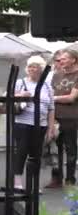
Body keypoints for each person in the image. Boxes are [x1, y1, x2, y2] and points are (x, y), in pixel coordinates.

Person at [13, 56, 55, 189]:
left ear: (41, 69)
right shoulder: (20, 82)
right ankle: (17, 183)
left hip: (40, 125)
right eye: (30, 66)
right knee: (21, 152)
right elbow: (8, 97)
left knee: (36, 155)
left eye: (35, 66)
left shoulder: (47, 86)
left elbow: (51, 107)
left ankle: (33, 184)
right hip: (22, 123)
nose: (31, 69)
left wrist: (51, 127)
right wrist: (20, 95)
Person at [48, 48, 78, 188]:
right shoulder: (56, 75)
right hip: (55, 116)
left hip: (71, 117)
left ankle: (70, 179)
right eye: (60, 59)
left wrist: (53, 98)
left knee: (70, 147)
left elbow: (71, 98)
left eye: (64, 58)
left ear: (73, 59)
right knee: (54, 148)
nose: (61, 61)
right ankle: (56, 178)